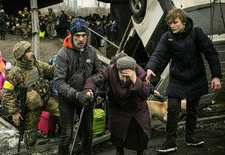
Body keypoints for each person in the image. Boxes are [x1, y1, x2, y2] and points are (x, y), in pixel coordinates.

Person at [145, 8, 222, 153]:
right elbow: (159, 54)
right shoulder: (167, 37)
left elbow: (210, 53)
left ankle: (190, 137)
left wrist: (216, 76)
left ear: (184, 22)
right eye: (170, 23)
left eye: (175, 22)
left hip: (196, 77)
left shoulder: (196, 33)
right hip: (178, 78)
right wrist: (150, 68)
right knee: (173, 109)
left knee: (192, 111)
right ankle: (170, 142)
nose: (172, 26)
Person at [84, 56, 151, 155]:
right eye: (122, 76)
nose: (124, 79)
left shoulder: (140, 72)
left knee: (140, 140)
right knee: (118, 138)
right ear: (117, 71)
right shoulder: (111, 70)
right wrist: (89, 89)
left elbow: (146, 93)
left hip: (136, 110)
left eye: (127, 77)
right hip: (117, 109)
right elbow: (94, 79)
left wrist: (135, 80)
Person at [2, 41, 59, 151]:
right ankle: (31, 151)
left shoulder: (36, 64)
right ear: (22, 55)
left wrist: (61, 63)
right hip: (32, 107)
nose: (31, 53)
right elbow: (6, 93)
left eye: (31, 50)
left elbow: (50, 70)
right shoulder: (14, 73)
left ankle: (71, 135)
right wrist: (14, 112)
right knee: (31, 133)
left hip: (46, 99)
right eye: (28, 52)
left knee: (64, 112)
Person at [54, 18, 100, 155]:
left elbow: (97, 74)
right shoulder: (63, 54)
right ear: (71, 35)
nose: (81, 39)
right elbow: (59, 82)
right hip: (67, 98)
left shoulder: (91, 52)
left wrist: (93, 90)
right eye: (77, 36)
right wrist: (75, 94)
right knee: (67, 133)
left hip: (86, 96)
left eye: (84, 35)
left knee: (88, 131)